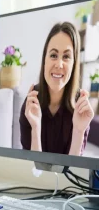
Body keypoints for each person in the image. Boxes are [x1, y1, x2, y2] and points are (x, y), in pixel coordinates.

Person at [20, 21, 94, 156]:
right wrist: (35, 127)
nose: (59, 64)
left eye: (66, 57)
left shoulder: (81, 107)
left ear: (74, 63)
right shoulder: (31, 103)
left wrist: (79, 130)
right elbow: (31, 170)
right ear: (45, 60)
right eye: (53, 55)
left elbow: (73, 171)